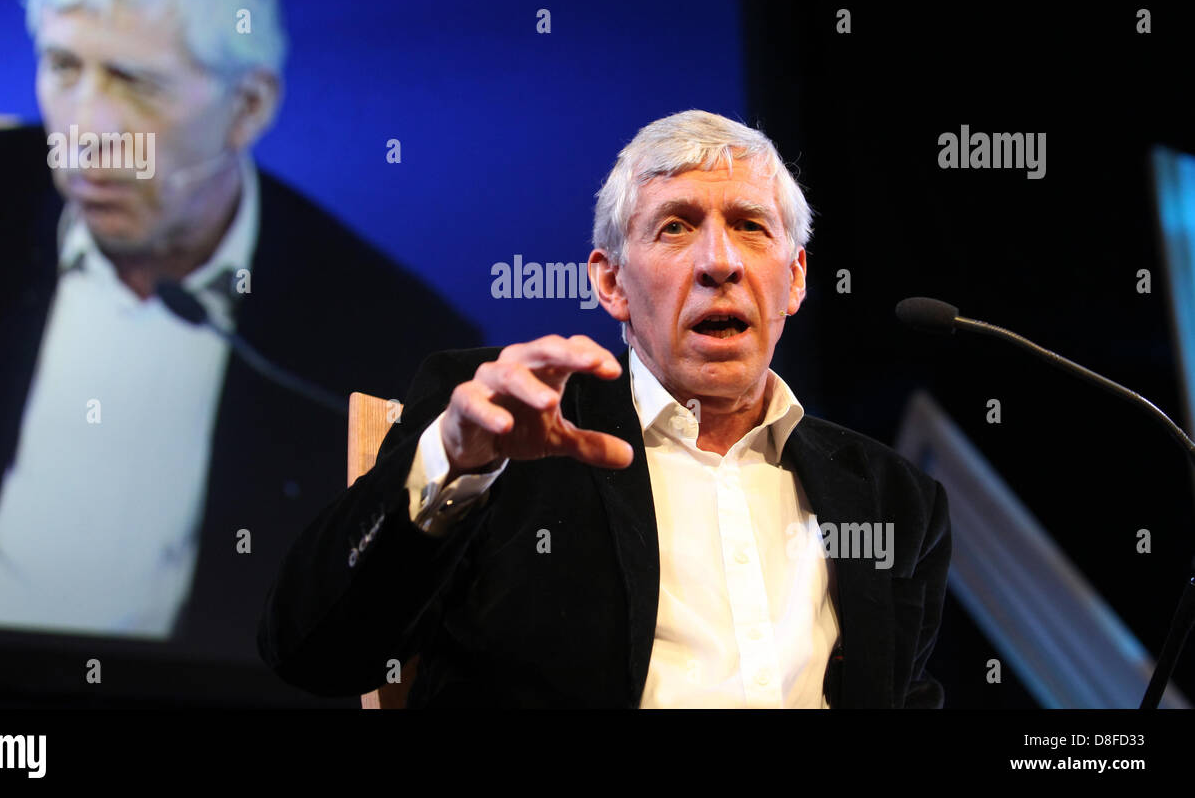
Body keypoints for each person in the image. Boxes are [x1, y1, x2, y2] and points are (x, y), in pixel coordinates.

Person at [0, 0, 477, 663]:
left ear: (249, 106)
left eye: (137, 83)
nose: (89, 130)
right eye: (64, 67)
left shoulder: (381, 334)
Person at [257, 109, 952, 707]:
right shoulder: (511, 430)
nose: (719, 261)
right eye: (676, 227)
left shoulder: (892, 498)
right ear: (611, 282)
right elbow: (313, 651)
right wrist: (452, 465)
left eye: (750, 226)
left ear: (794, 279)